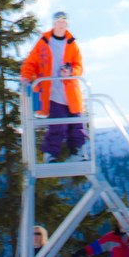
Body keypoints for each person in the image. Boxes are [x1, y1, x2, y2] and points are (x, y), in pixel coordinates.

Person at [21, 10, 86, 162]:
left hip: (71, 91)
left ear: (67, 23)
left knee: (76, 124)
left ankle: (77, 152)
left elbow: (79, 66)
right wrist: (26, 77)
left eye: (64, 21)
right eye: (58, 21)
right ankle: (50, 154)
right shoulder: (44, 42)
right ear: (54, 23)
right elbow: (31, 62)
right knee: (58, 125)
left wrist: (70, 71)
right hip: (52, 91)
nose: (61, 24)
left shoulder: (72, 44)